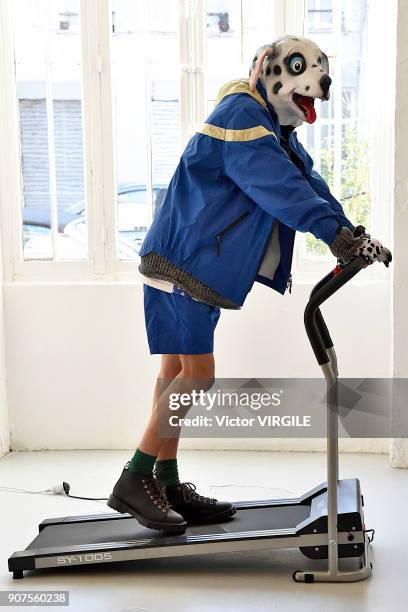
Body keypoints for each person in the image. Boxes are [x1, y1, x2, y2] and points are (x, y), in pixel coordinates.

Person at [108, 36, 392, 533]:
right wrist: (334, 238)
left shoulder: (273, 129)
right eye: (302, 71)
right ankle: (135, 477)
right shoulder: (242, 114)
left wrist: (350, 234)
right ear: (268, 69)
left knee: (175, 371)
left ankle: (167, 480)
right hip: (185, 262)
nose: (313, 91)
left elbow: (307, 181)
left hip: (194, 264)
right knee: (196, 376)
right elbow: (280, 189)